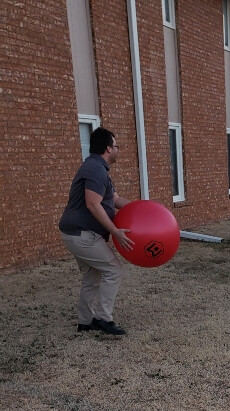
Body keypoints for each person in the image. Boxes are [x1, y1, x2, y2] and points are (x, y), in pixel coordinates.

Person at [59, 127, 134, 335]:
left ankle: (85, 322)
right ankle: (103, 318)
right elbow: (93, 204)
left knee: (92, 276)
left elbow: (115, 200)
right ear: (108, 148)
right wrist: (115, 231)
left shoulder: (98, 168)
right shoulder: (95, 169)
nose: (119, 150)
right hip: (82, 234)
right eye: (117, 146)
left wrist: (143, 209)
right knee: (114, 270)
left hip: (76, 233)